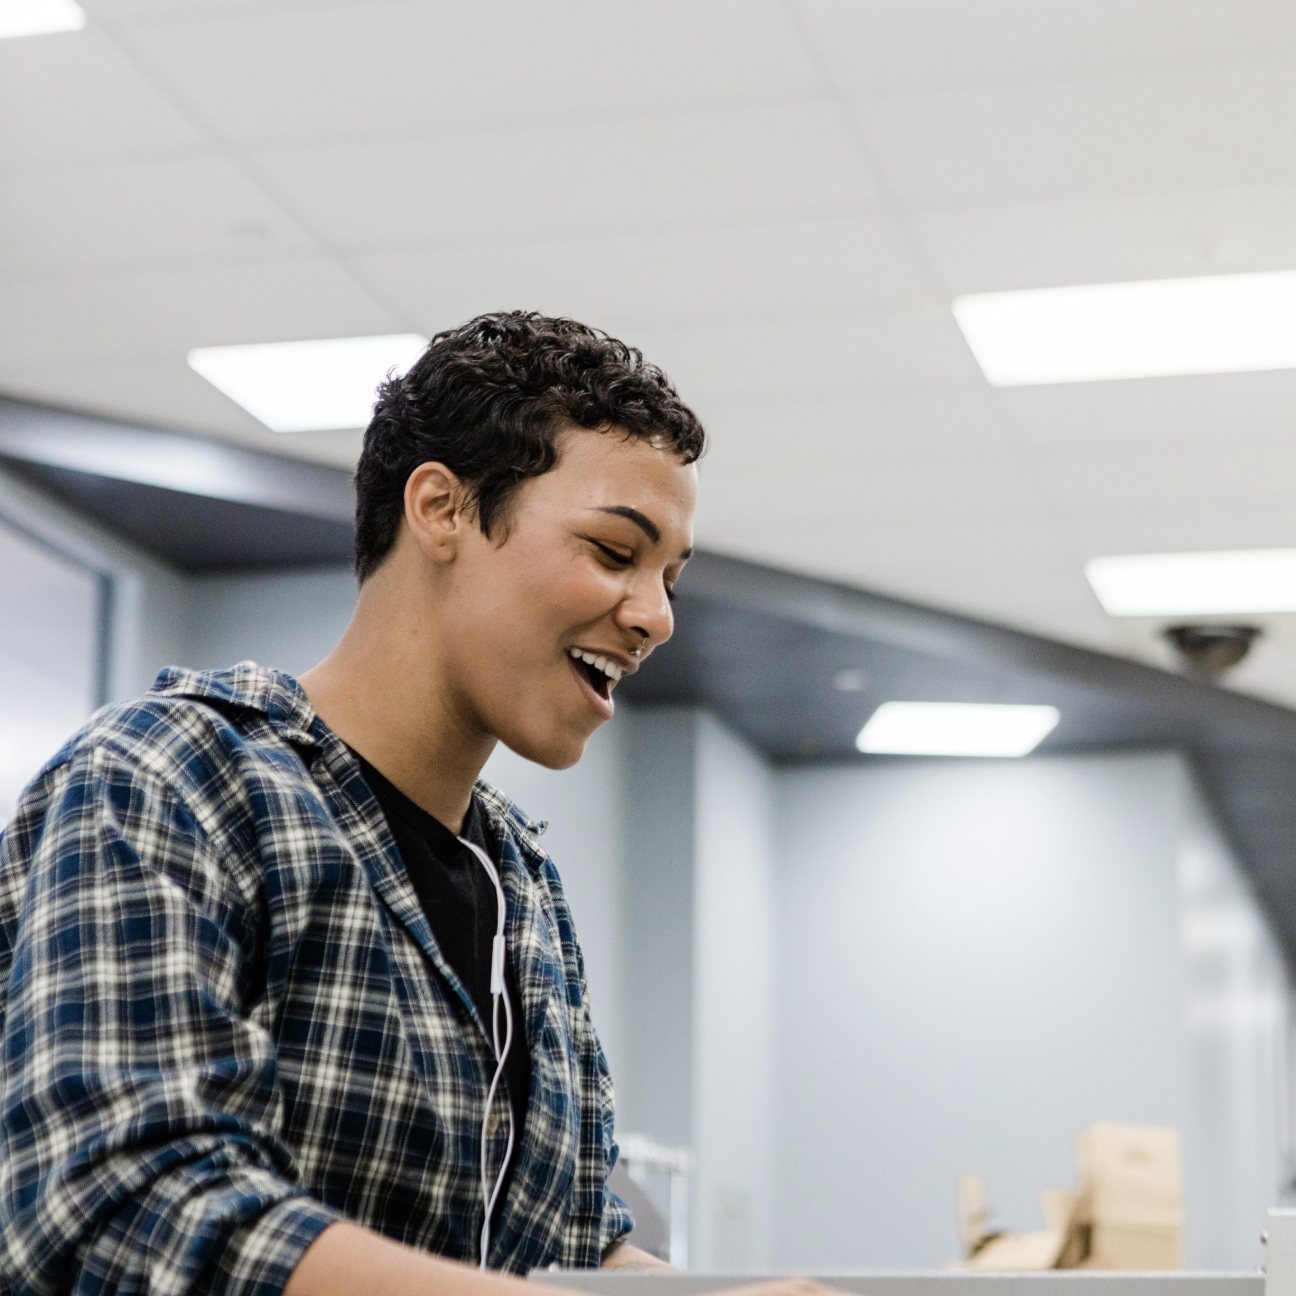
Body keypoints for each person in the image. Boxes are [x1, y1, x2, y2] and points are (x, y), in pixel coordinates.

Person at [0, 313, 704, 1295]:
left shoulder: (522, 890)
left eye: (669, 577)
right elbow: (127, 1203)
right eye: (613, 551)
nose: (655, 616)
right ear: (441, 509)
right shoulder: (171, 780)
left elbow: (566, 1247)